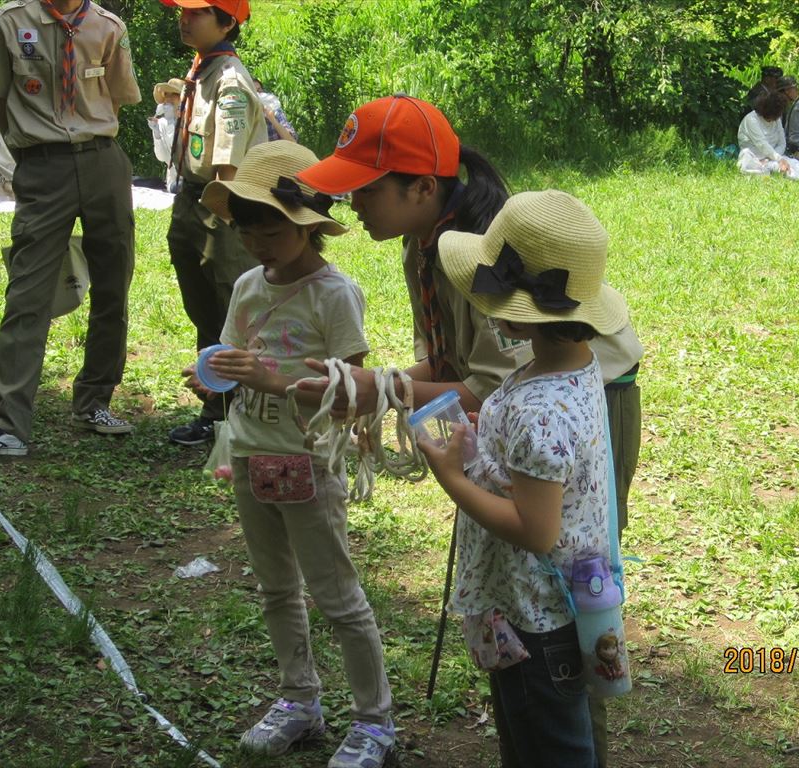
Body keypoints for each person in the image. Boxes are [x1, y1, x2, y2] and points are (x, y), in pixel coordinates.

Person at [295, 93, 644, 766]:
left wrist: (392, 400)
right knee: (528, 601)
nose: (351, 206)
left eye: (363, 190)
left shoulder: (495, 271)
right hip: (520, 408)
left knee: (573, 582)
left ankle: (574, 736)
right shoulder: (427, 246)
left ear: (420, 187)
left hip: (580, 403)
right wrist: (378, 388)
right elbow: (456, 364)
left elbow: (486, 384)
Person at [184, 140, 395, 767]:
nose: (257, 240)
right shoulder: (248, 283)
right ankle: (299, 699)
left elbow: (351, 398)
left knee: (337, 596)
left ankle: (375, 723)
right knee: (277, 590)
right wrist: (212, 378)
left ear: (306, 225)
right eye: (246, 226)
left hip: (307, 461)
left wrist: (272, 380)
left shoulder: (335, 295)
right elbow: (229, 359)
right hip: (250, 454)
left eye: (271, 227)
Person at [417, 189, 632, 768]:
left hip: (538, 623)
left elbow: (536, 530)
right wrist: (482, 442)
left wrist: (453, 476)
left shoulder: (540, 409)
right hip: (547, 610)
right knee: (531, 743)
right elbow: (534, 466)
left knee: (548, 748)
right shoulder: (572, 366)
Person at [0, 0, 140, 458]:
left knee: (113, 285)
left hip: (102, 161)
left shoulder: (108, 27)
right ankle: (9, 425)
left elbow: (116, 96)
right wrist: (27, 149)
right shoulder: (9, 23)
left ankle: (95, 401)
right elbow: (0, 98)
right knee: (27, 292)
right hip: (42, 165)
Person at [159, 0, 267, 447]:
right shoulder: (201, 69)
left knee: (231, 311)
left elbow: (228, 169)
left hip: (219, 206)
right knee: (204, 309)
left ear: (227, 21)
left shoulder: (229, 81)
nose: (184, 19)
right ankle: (218, 406)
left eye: (197, 13)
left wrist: (225, 224)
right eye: (182, 11)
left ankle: (238, 413)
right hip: (191, 199)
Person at [737, 89, 799, 180]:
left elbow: (782, 143)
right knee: (777, 167)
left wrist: (777, 157)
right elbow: (761, 144)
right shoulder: (751, 120)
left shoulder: (776, 120)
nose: (773, 120)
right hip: (755, 158)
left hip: (774, 155)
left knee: (791, 161)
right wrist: (778, 160)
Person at [148, 77, 184, 192]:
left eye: (173, 94)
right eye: (166, 95)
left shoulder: (190, 121)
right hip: (174, 181)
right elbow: (162, 157)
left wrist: (171, 122)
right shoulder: (162, 123)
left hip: (191, 178)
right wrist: (156, 133)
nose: (168, 98)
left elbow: (181, 151)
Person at [252, 77, 298, 143]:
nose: (258, 95)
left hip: (280, 151)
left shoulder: (274, 111)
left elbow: (292, 141)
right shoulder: (246, 116)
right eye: (254, 92)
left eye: (259, 90)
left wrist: (272, 119)